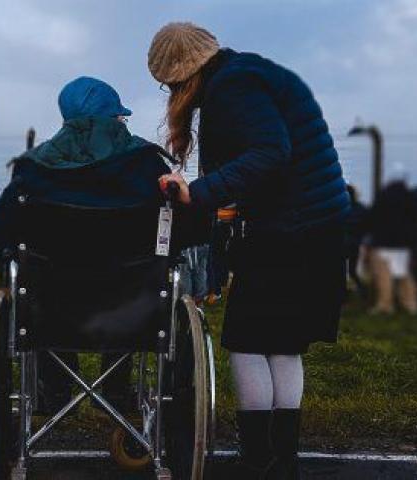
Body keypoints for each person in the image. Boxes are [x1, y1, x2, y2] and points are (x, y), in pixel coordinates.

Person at [149, 22, 350, 479]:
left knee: (246, 341)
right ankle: (282, 459)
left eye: (170, 84)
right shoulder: (249, 74)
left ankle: (258, 457)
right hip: (315, 226)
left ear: (185, 74)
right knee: (283, 345)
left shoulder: (233, 88)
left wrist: (198, 193)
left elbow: (270, 152)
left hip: (290, 229)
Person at [0, 76, 180, 413]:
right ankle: (116, 390)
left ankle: (56, 389)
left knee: (44, 286)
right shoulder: (146, 163)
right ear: (114, 118)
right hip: (130, 305)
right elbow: (182, 227)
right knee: (129, 280)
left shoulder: (33, 168)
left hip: (51, 306)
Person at [367, 172, 417, 315]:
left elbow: (373, 218)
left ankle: (385, 304)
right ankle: (410, 304)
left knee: (384, 276)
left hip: (383, 242)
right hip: (403, 244)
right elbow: (415, 220)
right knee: (404, 275)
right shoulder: (410, 198)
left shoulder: (382, 197)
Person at [345, 185, 368, 300]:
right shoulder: (361, 208)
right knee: (352, 270)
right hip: (355, 243)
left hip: (341, 243)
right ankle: (363, 292)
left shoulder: (339, 208)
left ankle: (344, 294)